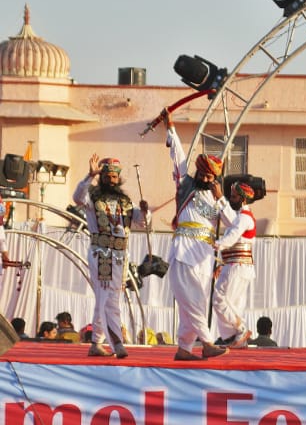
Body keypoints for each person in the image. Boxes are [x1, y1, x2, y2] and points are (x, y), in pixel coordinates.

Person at [163, 110, 236, 361]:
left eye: (210, 176)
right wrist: (170, 128)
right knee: (193, 302)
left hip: (205, 255)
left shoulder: (217, 198)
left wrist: (221, 198)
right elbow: (178, 157)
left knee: (195, 303)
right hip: (184, 250)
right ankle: (206, 343)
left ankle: (184, 348)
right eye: (203, 174)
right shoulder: (186, 185)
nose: (206, 178)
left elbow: (233, 224)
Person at [73, 154, 150, 358]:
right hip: (101, 254)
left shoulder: (125, 201)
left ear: (119, 178)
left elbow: (142, 222)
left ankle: (96, 343)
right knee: (109, 299)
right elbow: (77, 197)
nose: (111, 180)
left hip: (120, 256)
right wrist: (89, 176)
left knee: (105, 298)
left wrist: (145, 211)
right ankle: (117, 343)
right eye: (107, 176)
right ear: (102, 177)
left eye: (114, 177)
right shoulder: (92, 198)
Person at [212, 181, 259, 349]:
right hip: (235, 265)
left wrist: (215, 244)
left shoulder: (244, 217)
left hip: (237, 266)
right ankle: (236, 338)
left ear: (243, 199)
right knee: (231, 303)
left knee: (219, 299)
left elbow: (232, 236)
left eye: (234, 196)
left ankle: (240, 329)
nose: (232, 199)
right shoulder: (242, 216)